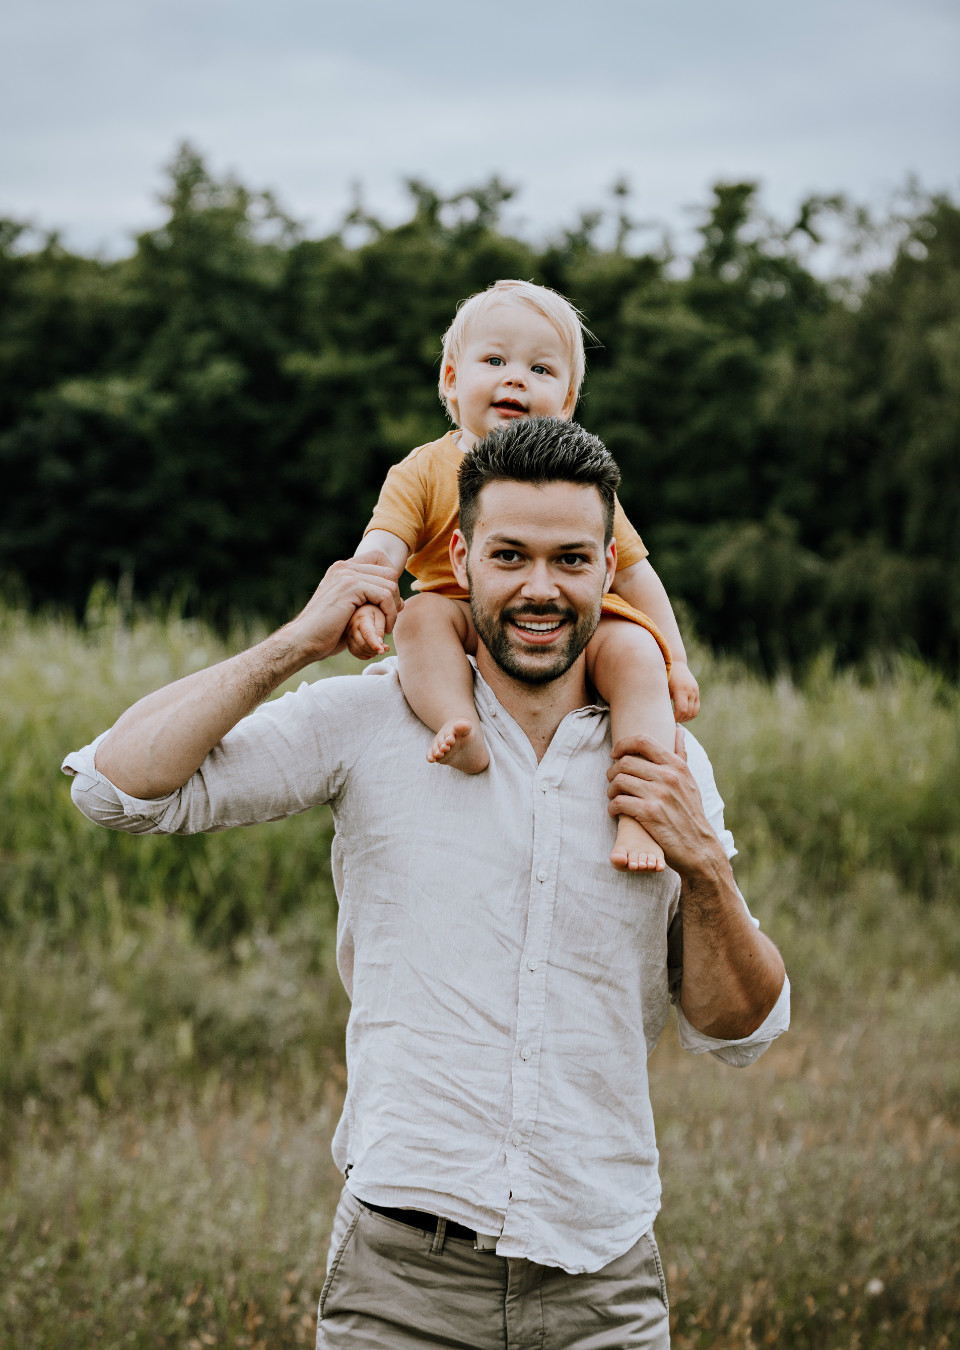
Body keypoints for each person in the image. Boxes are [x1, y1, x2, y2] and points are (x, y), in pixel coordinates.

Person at [63, 417, 789, 1350]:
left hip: (603, 1288)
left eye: (571, 560)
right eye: (510, 556)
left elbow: (737, 1029)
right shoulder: (372, 720)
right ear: (461, 558)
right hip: (401, 1288)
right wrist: (297, 643)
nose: (540, 588)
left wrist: (707, 869)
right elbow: (116, 788)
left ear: (609, 568)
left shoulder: (667, 762)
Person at [348, 278, 700, 873]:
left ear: (565, 403)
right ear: (452, 380)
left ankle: (639, 817)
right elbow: (381, 548)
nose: (515, 379)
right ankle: (458, 723)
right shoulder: (423, 470)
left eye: (540, 369)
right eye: (495, 361)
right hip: (462, 613)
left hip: (570, 620)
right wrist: (363, 603)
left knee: (637, 653)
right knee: (419, 619)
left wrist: (676, 658)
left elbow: (635, 574)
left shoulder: (578, 484)